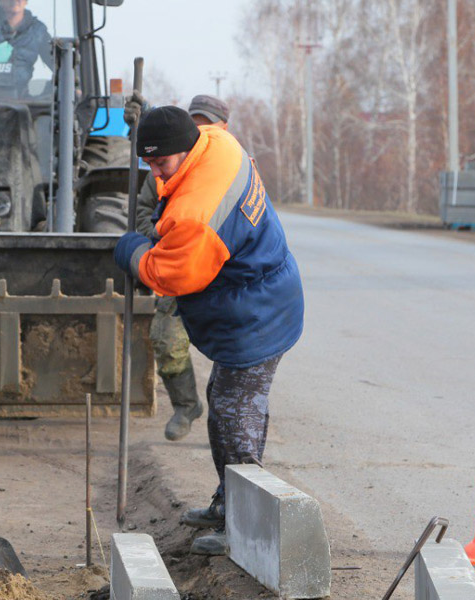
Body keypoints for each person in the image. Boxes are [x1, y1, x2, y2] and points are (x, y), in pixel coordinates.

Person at [113, 106, 304, 556]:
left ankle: (248, 531)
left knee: (237, 419)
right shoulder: (214, 141)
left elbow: (170, 276)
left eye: (161, 164)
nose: (155, 174)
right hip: (256, 298)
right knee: (224, 406)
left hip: (257, 313)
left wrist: (132, 250)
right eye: (148, 164)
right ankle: (228, 504)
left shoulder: (197, 211)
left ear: (185, 148)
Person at [129, 94, 231, 442]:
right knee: (166, 340)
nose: (201, 130)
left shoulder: (230, 165)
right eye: (195, 122)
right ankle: (186, 405)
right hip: (178, 266)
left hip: (223, 275)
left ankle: (230, 426)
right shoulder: (163, 169)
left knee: (233, 357)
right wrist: (158, 241)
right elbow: (144, 211)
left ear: (223, 129)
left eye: (208, 124)